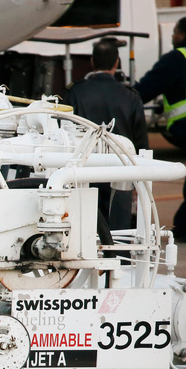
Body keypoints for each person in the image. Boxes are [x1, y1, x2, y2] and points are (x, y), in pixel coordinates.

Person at [64, 37, 149, 231]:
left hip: (84, 173)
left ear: (92, 62)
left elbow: (65, 132)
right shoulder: (131, 95)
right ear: (116, 63)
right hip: (120, 173)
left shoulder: (76, 92)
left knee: (83, 229)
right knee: (118, 230)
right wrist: (139, 180)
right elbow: (141, 142)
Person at [135, 16, 186, 239]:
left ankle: (184, 229)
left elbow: (144, 90)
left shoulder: (176, 59)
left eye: (175, 32)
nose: (173, 36)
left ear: (182, 35)